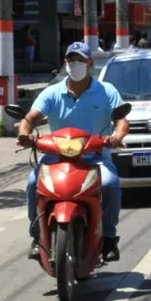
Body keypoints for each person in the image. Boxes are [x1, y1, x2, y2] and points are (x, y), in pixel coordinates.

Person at [17, 42, 128, 262]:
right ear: (65, 63)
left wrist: (117, 137)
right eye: (71, 60)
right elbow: (30, 118)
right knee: (32, 183)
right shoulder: (52, 92)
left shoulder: (107, 91)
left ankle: (107, 239)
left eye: (80, 61)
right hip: (56, 157)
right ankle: (38, 237)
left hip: (95, 157)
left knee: (110, 185)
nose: (75, 65)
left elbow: (122, 121)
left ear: (90, 64)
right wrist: (24, 133)